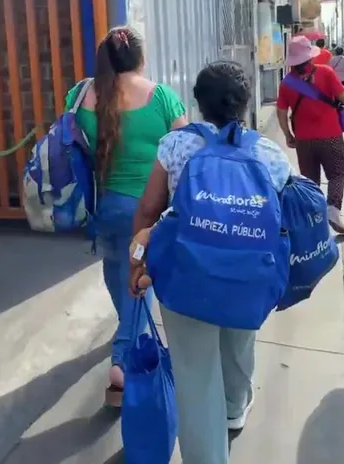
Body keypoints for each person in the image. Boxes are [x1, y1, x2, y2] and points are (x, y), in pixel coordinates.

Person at [128, 60, 293, 464]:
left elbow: (149, 209)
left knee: (195, 370)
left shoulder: (176, 145)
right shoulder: (270, 154)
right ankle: (235, 408)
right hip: (247, 275)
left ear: (199, 103)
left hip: (186, 274)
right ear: (244, 102)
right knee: (239, 342)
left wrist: (138, 261)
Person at [70, 25, 188, 407]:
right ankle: (122, 362)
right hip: (147, 211)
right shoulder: (162, 97)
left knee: (115, 268)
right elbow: (185, 151)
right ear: (140, 58)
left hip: (104, 207)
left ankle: (128, 327)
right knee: (139, 279)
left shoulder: (81, 95)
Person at [276, 35, 344, 234]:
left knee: (310, 181)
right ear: (310, 56)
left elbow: (281, 111)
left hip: (304, 140)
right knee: (338, 173)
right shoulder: (326, 72)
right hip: (330, 136)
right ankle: (333, 210)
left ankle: (314, 220)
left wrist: (288, 134)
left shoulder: (287, 83)